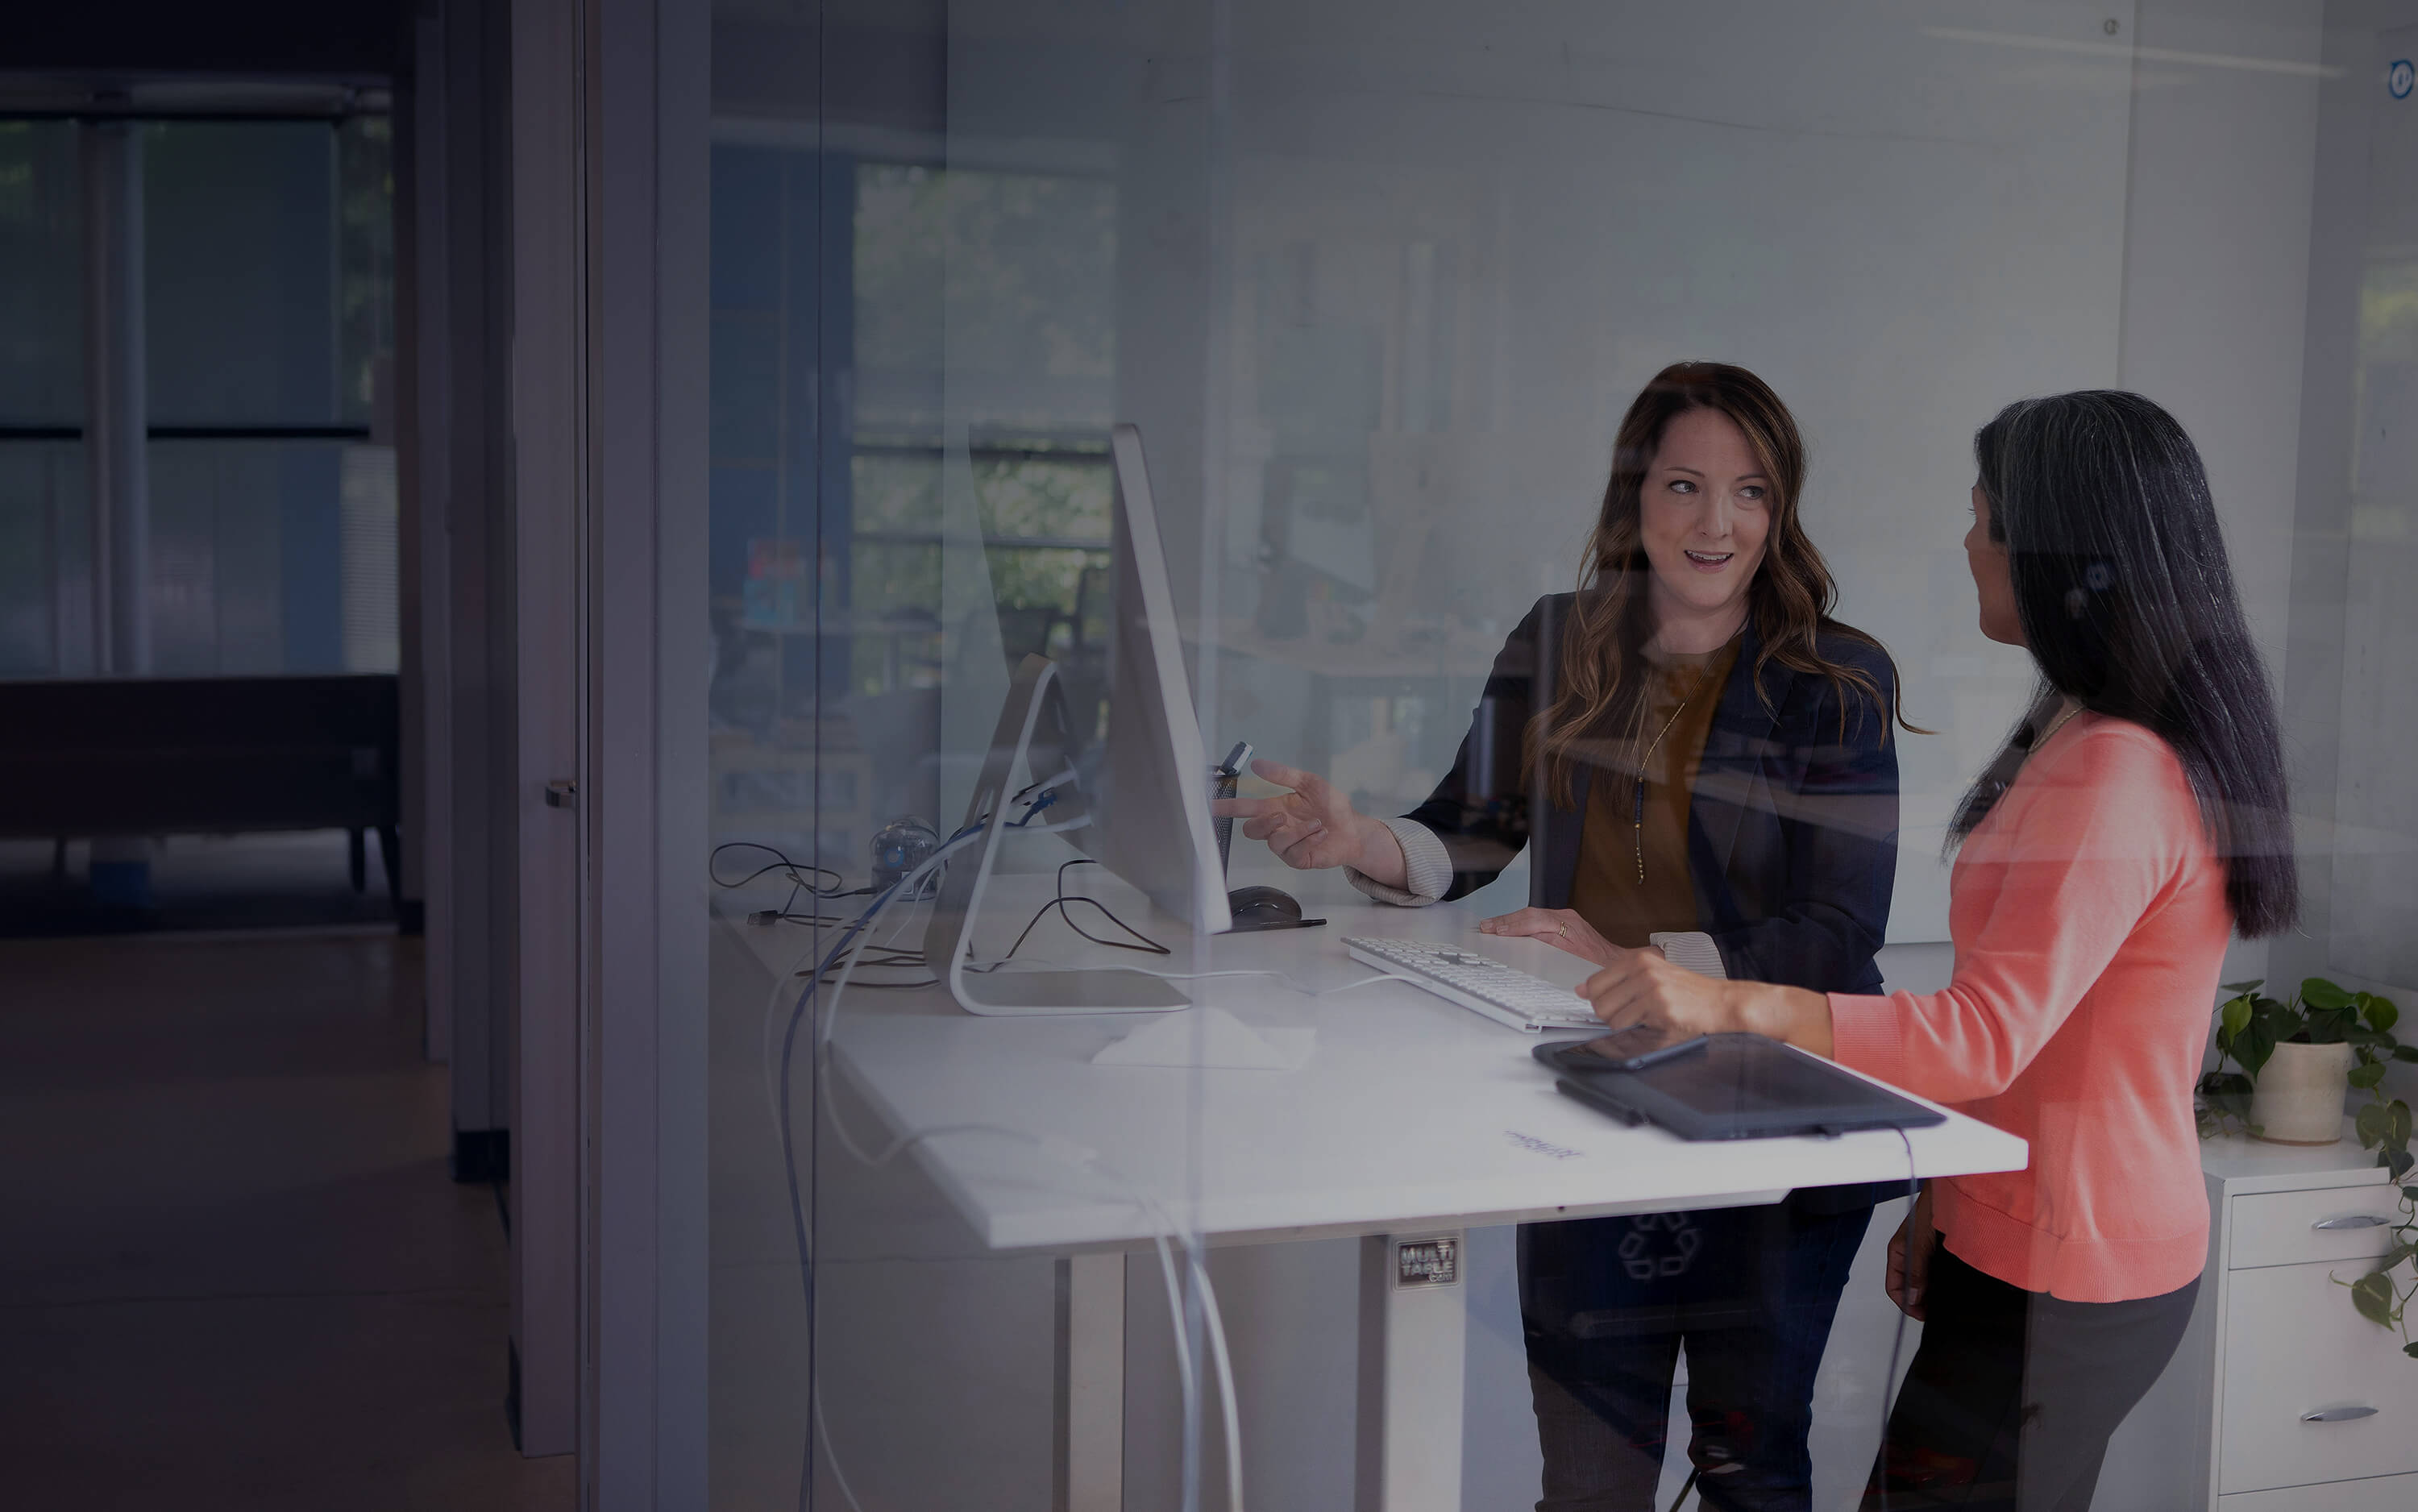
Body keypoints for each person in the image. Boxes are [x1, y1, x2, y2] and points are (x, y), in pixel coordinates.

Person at [1574, 390, 2297, 1512]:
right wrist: (1945, 1205)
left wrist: (1722, 1003)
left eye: (1985, 520)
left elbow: (1980, 1034)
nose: (1968, 543)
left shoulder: (2118, 766)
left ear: (2065, 555)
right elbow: (2039, 1030)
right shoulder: (2083, 723)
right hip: (2025, 1236)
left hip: (2067, 1266)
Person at [1219, 362, 1912, 1511]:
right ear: (1635, 498)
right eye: (1685, 486)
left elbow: (1838, 934)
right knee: (1591, 1477)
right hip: (1600, 1102)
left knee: (1750, 1464)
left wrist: (1644, 962)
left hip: (1775, 1104)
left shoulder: (1835, 679)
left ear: (1781, 507)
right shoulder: (1562, 638)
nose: (1716, 523)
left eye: (1749, 492)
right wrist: (1360, 843)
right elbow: (1470, 831)